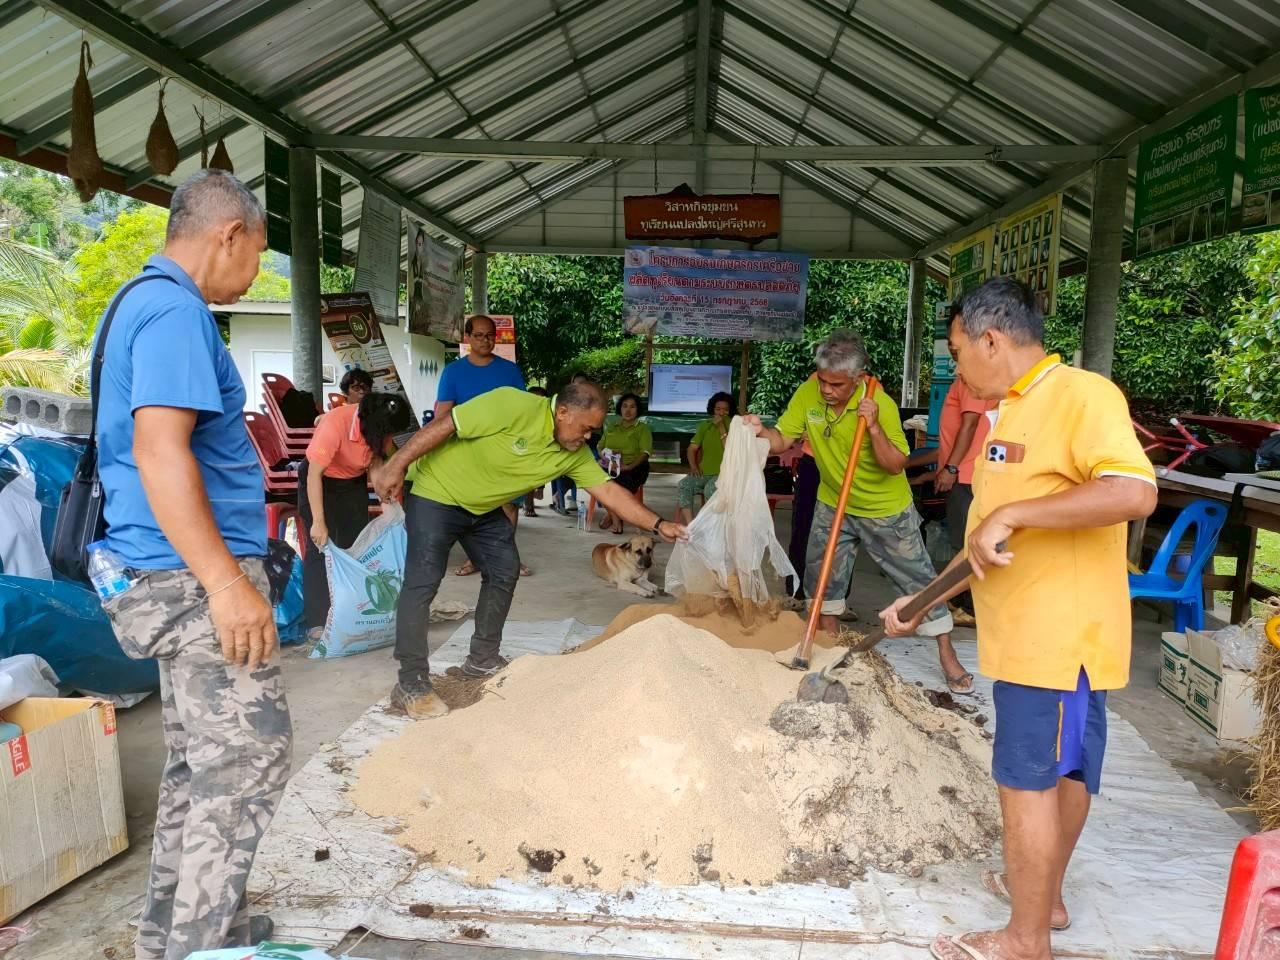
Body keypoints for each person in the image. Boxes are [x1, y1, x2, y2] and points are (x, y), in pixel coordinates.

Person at [879, 279, 1156, 960]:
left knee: (1029, 782)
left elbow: (1134, 490)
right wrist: (921, 604)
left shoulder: (1080, 396)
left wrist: (1013, 511)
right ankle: (1047, 900)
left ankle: (1023, 940)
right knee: (1061, 775)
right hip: (1033, 642)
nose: (958, 366)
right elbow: (987, 548)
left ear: (991, 339)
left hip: (1057, 642)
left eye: (956, 350)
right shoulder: (1012, 413)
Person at [94, 170, 290, 959]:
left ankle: (177, 936)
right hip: (190, 579)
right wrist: (227, 584)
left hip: (160, 569)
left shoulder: (139, 301)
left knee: (200, 769)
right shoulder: (175, 310)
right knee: (248, 763)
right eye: (259, 254)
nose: (255, 272)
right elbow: (158, 450)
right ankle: (203, 947)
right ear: (228, 234)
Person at [373, 381, 686, 718]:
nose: (588, 438)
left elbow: (609, 492)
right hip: (437, 492)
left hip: (483, 507)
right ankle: (411, 681)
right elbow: (445, 426)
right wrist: (396, 464)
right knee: (423, 582)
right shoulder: (511, 405)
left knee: (505, 569)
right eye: (587, 428)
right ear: (563, 412)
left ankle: (482, 660)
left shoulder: (574, 454)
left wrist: (658, 524)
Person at [746, 329, 970, 694]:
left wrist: (876, 427)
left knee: (918, 580)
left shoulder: (877, 401)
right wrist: (757, 433)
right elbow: (782, 440)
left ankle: (947, 654)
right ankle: (829, 650)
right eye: (823, 381)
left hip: (884, 510)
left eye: (836, 384)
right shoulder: (810, 393)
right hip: (834, 502)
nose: (827, 390)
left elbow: (896, 464)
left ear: (858, 378)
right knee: (822, 578)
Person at [298, 391, 409, 639]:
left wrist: (384, 492)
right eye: (388, 434)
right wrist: (318, 521)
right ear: (373, 426)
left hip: (350, 484)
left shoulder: (381, 429)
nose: (390, 439)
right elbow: (313, 475)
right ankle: (317, 621)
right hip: (320, 482)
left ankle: (352, 612)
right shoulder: (336, 424)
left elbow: (376, 460)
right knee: (320, 548)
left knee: (356, 546)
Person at [436, 314, 531, 576]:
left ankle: (508, 559)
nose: (485, 340)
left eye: (490, 335)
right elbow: (442, 414)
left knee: (509, 505)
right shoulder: (453, 371)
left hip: (504, 448)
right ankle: (476, 558)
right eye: (478, 335)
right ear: (467, 338)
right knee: (472, 506)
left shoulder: (509, 370)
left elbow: (523, 410)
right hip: (468, 450)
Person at [676, 391, 735, 523]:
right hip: (704, 472)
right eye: (718, 409)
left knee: (710, 488)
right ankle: (691, 526)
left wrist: (720, 426)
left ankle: (709, 526)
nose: (721, 412)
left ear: (730, 411)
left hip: (724, 474)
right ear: (712, 409)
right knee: (683, 485)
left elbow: (730, 450)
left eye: (725, 409)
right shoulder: (705, 425)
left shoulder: (735, 425)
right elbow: (692, 449)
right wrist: (693, 467)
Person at [598, 392, 653, 534]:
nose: (628, 410)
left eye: (632, 407)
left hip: (634, 467)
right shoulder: (611, 426)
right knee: (596, 481)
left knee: (615, 485)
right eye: (625, 406)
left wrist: (627, 466)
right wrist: (605, 459)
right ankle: (615, 517)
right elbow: (600, 447)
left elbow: (645, 453)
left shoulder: (642, 428)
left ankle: (611, 514)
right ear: (620, 408)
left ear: (638, 410)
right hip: (610, 465)